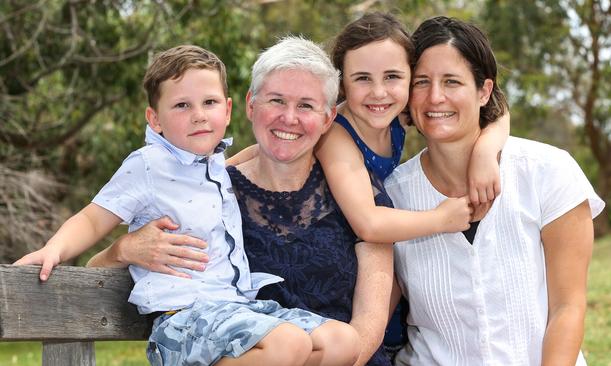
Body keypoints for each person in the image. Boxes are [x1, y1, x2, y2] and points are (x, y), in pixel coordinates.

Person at [14, 45, 360, 366]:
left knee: (342, 342)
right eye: (182, 105)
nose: (198, 115)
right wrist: (54, 248)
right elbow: (92, 219)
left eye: (209, 103)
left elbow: (288, 139)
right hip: (184, 318)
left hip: (235, 307)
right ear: (155, 119)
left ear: (227, 110)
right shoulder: (148, 165)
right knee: (289, 345)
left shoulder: (216, 165)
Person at [384, 16, 605, 366]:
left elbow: (568, 307)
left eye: (452, 81)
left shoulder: (547, 171)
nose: (435, 97)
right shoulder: (392, 195)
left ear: (484, 91)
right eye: (422, 82)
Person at [316, 12, 510, 246]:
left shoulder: (396, 111)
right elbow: (368, 224)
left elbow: (499, 112)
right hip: (326, 233)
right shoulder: (335, 135)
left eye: (392, 76)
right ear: (342, 83)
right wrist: (440, 219)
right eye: (362, 78)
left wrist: (485, 153)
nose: (379, 92)